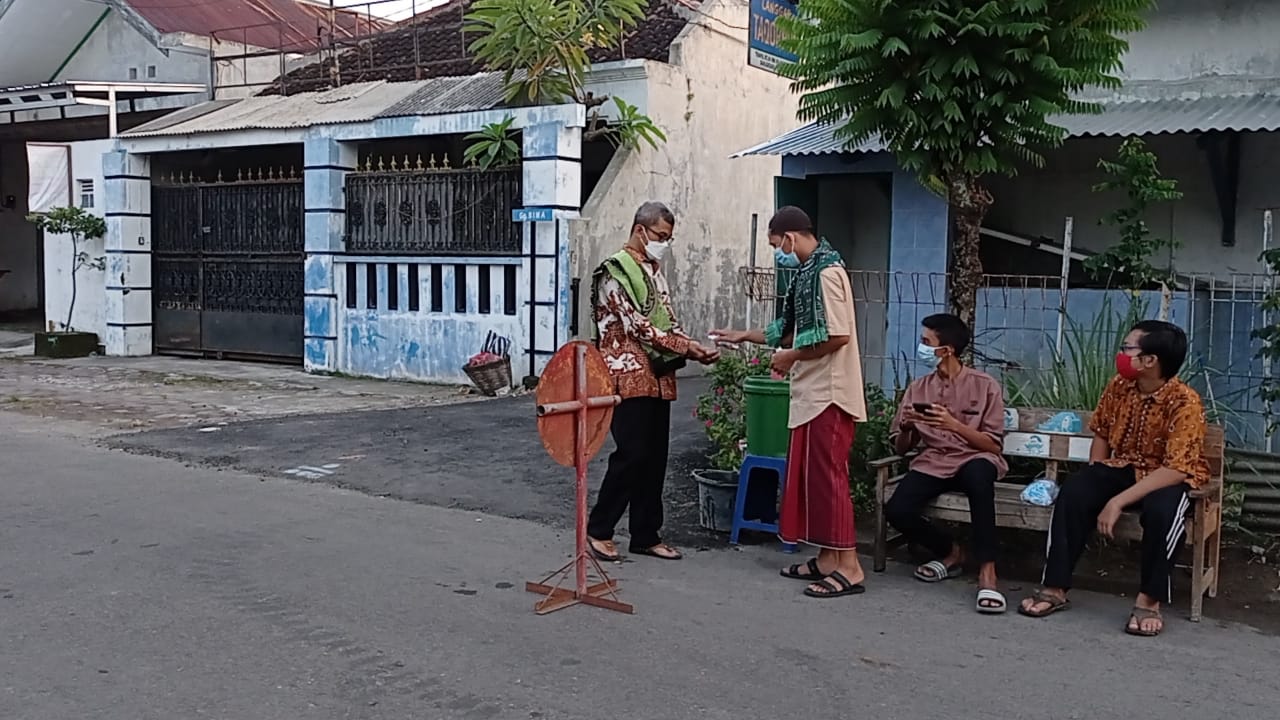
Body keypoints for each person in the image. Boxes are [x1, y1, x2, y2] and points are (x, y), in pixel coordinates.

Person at [712, 206, 868, 599]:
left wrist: (791, 358)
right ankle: (828, 558)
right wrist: (743, 336)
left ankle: (850, 567)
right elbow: (789, 332)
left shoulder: (827, 272)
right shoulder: (807, 272)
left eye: (776, 245)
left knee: (830, 481)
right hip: (811, 395)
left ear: (790, 237)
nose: (777, 253)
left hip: (829, 394)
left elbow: (838, 335)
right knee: (814, 482)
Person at [1019, 320, 1209, 637]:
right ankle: (1054, 587)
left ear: (1150, 360)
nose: (1121, 354)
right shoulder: (1120, 386)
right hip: (1124, 465)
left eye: (1127, 348)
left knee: (1163, 512)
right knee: (1076, 491)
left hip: (1166, 476)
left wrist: (1116, 502)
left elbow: (1176, 468)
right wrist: (1096, 477)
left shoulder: (1185, 402)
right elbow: (1103, 433)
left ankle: (1149, 600)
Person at [586, 201, 719, 563]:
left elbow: (668, 320)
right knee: (631, 454)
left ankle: (646, 534)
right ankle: (599, 529)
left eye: (668, 237)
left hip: (658, 373)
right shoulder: (614, 271)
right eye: (660, 236)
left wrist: (692, 344)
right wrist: (686, 348)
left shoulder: (653, 271)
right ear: (640, 230)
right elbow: (637, 326)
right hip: (626, 372)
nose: (664, 243)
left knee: (655, 458)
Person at [886, 313, 1009, 614]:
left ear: (947, 349)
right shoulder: (919, 388)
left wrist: (954, 425)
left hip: (974, 457)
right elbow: (901, 449)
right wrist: (907, 428)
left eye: (926, 341)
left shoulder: (985, 385)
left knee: (980, 478)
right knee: (897, 509)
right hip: (934, 461)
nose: (921, 347)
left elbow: (993, 445)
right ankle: (952, 551)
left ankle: (988, 573)